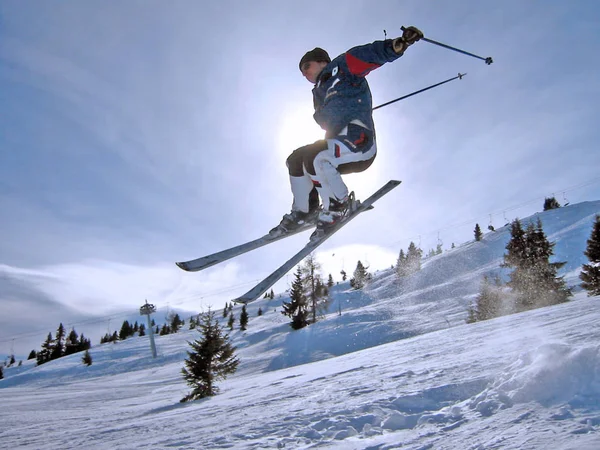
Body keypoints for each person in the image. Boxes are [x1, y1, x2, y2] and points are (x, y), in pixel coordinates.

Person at [270, 26, 424, 240]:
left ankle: (338, 204)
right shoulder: (318, 92)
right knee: (296, 158)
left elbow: (368, 55)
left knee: (316, 155)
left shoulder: (340, 67)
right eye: (302, 72)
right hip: (337, 147)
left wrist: (397, 45)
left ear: (322, 61)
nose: (304, 73)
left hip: (359, 143)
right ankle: (305, 211)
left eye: (306, 66)